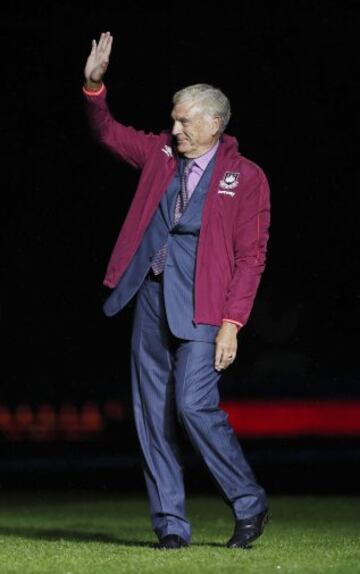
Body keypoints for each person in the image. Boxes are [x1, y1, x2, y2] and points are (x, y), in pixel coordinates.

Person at [83, 31, 271, 550]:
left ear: (215, 123)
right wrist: (93, 87)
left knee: (192, 406)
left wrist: (232, 323)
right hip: (149, 297)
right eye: (173, 118)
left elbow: (251, 257)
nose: (175, 128)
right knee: (150, 415)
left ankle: (249, 502)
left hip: (205, 305)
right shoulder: (161, 155)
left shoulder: (245, 177)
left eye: (185, 120)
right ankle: (169, 525)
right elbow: (108, 134)